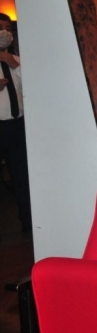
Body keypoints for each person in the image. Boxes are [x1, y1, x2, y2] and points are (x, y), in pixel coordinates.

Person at [0, 13, 31, 235]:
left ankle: (29, 226)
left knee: (22, 177)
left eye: (8, 28)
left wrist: (14, 65)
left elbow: (32, 88)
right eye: (0, 27)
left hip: (18, 126)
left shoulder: (18, 59)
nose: (4, 32)